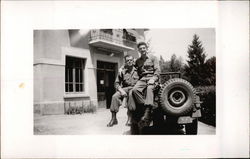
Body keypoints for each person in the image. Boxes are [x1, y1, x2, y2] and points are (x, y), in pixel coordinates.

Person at [130, 41, 160, 127]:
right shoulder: (138, 61)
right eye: (140, 49)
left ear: (146, 49)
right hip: (143, 79)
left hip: (152, 78)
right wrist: (122, 68)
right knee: (135, 90)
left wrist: (154, 79)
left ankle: (146, 114)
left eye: (144, 48)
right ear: (138, 50)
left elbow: (158, 70)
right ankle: (147, 107)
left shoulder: (153, 58)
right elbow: (132, 68)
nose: (142, 50)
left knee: (150, 88)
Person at [107, 55, 139, 127]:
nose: (129, 61)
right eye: (127, 60)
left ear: (133, 61)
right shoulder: (122, 71)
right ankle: (114, 118)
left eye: (131, 60)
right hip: (125, 88)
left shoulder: (138, 70)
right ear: (125, 62)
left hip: (134, 88)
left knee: (131, 94)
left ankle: (130, 118)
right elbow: (116, 83)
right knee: (114, 96)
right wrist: (121, 91)